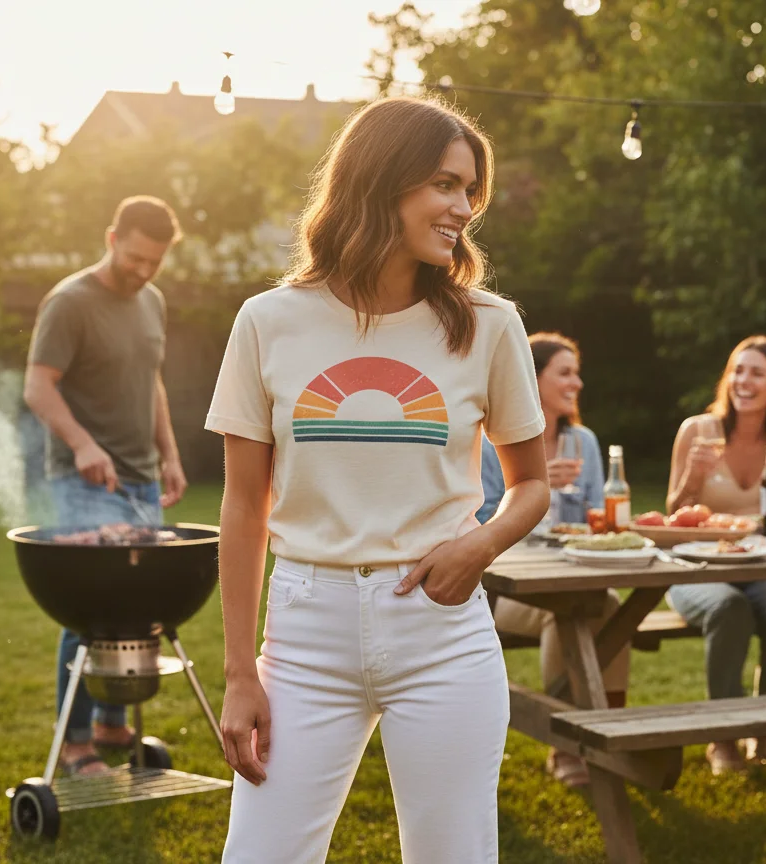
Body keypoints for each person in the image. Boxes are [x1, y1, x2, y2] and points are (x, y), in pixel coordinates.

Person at [206, 96, 550, 863]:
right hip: (302, 633)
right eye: (444, 185)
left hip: (441, 633)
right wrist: (239, 673)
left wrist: (478, 547)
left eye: (470, 192)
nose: (463, 208)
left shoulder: (489, 324)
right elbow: (242, 503)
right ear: (380, 181)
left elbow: (532, 485)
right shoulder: (267, 321)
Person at [23, 195, 189, 776]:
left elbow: (153, 382)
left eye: (155, 262)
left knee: (134, 607)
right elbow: (39, 388)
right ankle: (75, 745)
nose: (143, 271)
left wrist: (168, 453)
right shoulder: (70, 303)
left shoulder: (153, 302)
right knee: (90, 614)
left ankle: (112, 725)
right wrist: (82, 443)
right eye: (136, 257)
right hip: (83, 480)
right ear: (111, 236)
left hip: (140, 480)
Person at [477, 332, 627, 788]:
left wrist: (602, 523)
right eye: (565, 373)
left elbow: (598, 518)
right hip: (504, 588)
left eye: (576, 373)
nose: (577, 383)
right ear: (532, 378)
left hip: (570, 577)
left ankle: (611, 735)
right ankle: (563, 744)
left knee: (611, 607)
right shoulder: (491, 443)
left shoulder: (583, 441)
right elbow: (477, 524)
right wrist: (531, 487)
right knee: (561, 615)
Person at [665, 335, 766, 774]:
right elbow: (673, 515)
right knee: (729, 610)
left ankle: (761, 728)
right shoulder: (697, 430)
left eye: (757, 373)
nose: (743, 381)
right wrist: (694, 478)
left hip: (756, 566)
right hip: (695, 567)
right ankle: (722, 737)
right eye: (738, 370)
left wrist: (734, 520)